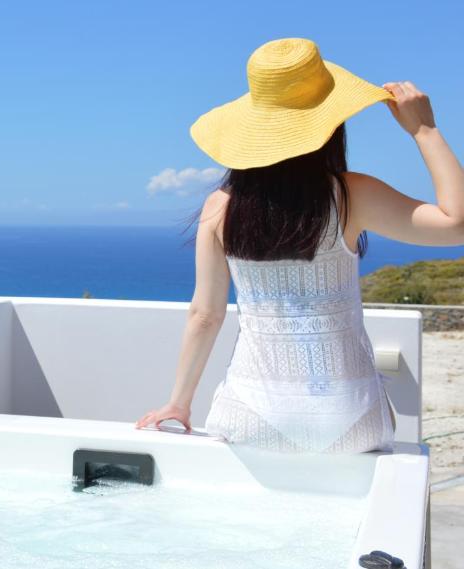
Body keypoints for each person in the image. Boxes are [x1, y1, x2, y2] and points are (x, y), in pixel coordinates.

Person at [135, 37, 464, 453]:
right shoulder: (350, 195)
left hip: (249, 415)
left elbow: (205, 315)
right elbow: (457, 224)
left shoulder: (219, 207)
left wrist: (178, 403)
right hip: (350, 419)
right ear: (330, 123)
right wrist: (425, 129)